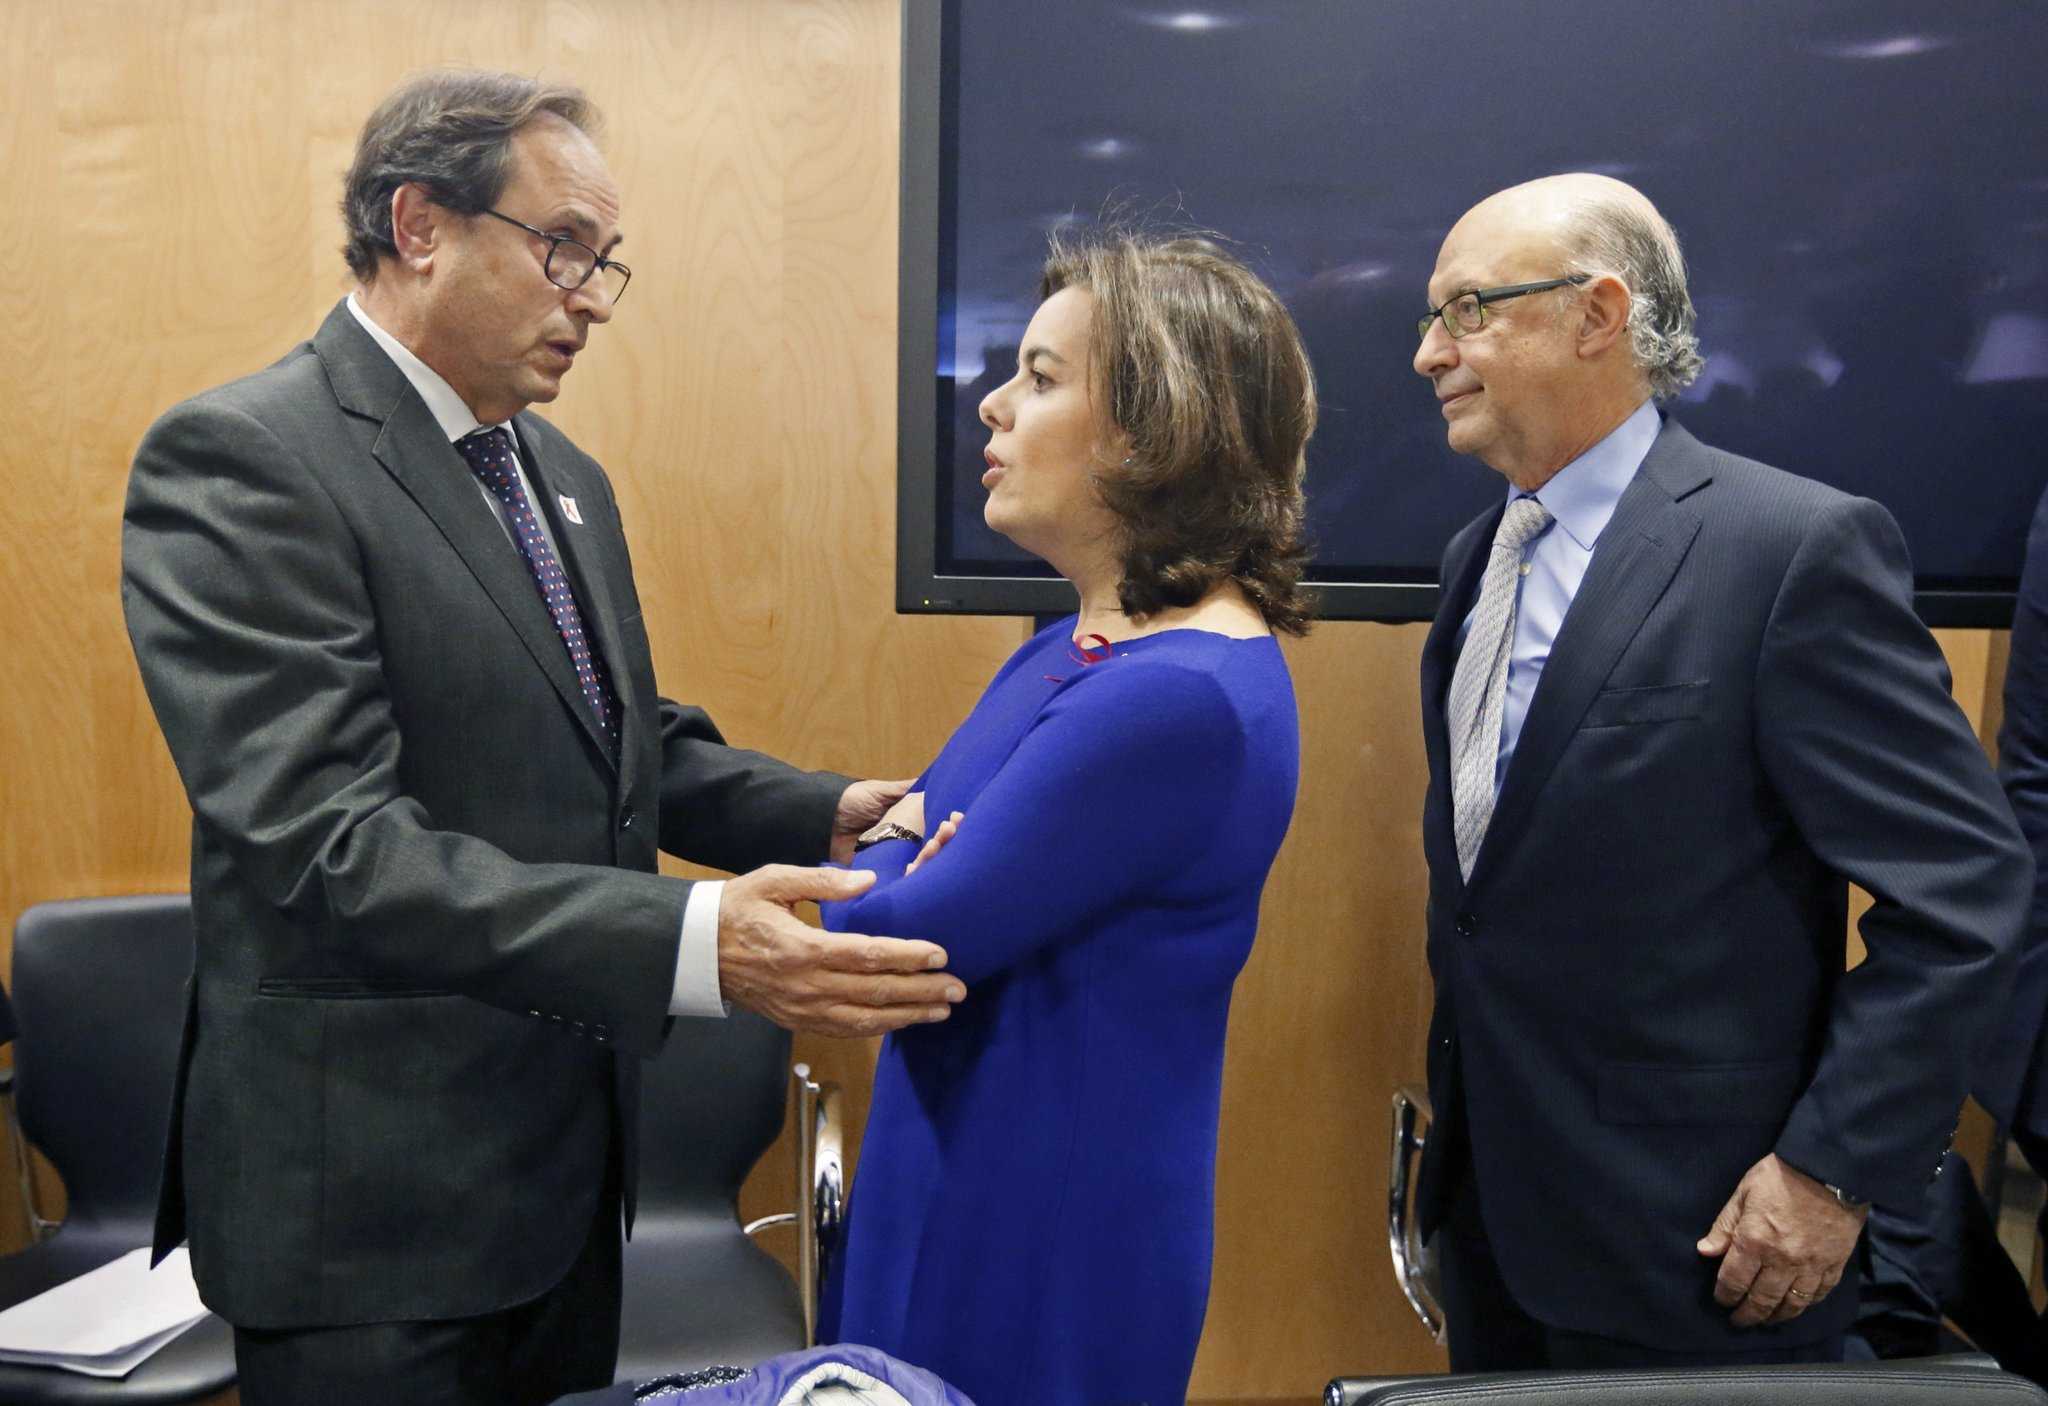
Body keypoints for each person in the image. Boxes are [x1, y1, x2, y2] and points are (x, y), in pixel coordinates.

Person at [120, 70, 964, 1406]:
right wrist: (698, 942)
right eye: (563, 246)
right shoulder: (247, 459)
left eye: (604, 263)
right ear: (419, 225)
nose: (591, 296)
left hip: (564, 1178)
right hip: (373, 1216)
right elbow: (332, 847)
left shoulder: (555, 475)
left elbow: (616, 736)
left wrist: (821, 811)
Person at [1409, 172, 2032, 1370]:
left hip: (1709, 1243)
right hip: (1491, 1220)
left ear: (1596, 314)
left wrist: (1828, 1167)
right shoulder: (1473, 557)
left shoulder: (1789, 549)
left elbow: (1959, 898)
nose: (1431, 351)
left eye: (1468, 309)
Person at [815, 233, 1315, 1405]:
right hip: (958, 1168)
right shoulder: (1071, 648)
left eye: (1039, 378)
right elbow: (891, 852)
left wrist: (909, 855)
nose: (989, 402)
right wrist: (905, 846)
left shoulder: (1170, 694)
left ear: (1151, 430)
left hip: (1038, 1229)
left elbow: (888, 934)